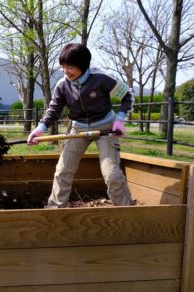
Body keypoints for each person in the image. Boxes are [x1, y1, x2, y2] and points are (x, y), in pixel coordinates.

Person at [27, 43, 133, 208]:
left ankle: (126, 211)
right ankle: (54, 210)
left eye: (70, 66)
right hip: (78, 128)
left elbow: (127, 95)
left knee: (111, 174)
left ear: (83, 65)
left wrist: (119, 120)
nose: (65, 71)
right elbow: (53, 110)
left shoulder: (101, 78)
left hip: (106, 128)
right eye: (62, 66)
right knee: (63, 170)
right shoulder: (63, 85)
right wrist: (39, 129)